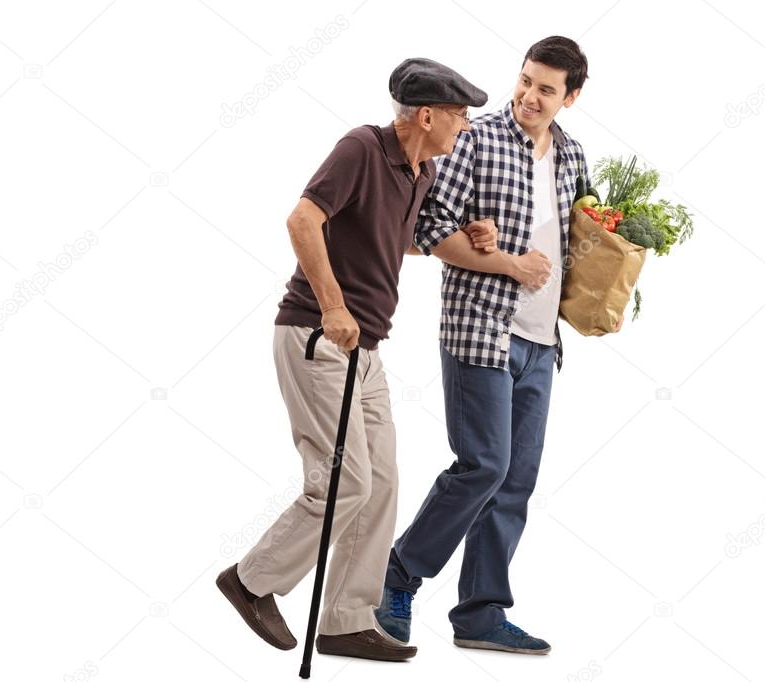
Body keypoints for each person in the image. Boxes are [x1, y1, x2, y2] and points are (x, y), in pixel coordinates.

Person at [216, 57, 493, 663]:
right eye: (458, 116)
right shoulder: (362, 149)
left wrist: (472, 237)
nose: (464, 127)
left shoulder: (419, 172)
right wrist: (334, 306)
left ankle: (345, 619)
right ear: (425, 115)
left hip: (365, 352)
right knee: (343, 481)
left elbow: (400, 239)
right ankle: (251, 580)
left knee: (383, 483)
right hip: (318, 336)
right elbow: (303, 218)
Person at [375, 37, 618, 656]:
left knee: (515, 480)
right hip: (480, 329)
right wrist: (510, 265)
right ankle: (397, 577)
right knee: (483, 465)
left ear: (572, 98)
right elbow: (428, 228)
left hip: (541, 341)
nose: (529, 97)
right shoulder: (476, 139)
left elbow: (583, 242)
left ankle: (481, 612)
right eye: (526, 80)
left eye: (546, 89)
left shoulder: (571, 156)